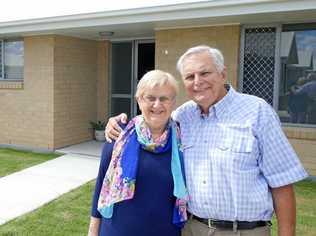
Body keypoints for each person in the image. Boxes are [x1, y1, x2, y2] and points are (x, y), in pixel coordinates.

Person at [105, 46, 308, 236]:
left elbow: (282, 183)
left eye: (205, 73)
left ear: (222, 73)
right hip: (193, 228)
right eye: (189, 76)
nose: (197, 81)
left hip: (243, 231)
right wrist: (119, 123)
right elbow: (153, 117)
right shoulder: (182, 117)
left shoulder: (257, 112)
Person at [88, 70, 188, 236]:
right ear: (139, 100)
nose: (157, 105)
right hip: (117, 230)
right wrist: (93, 231)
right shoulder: (119, 134)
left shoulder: (182, 138)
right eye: (150, 98)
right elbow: (101, 186)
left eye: (164, 98)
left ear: (173, 102)